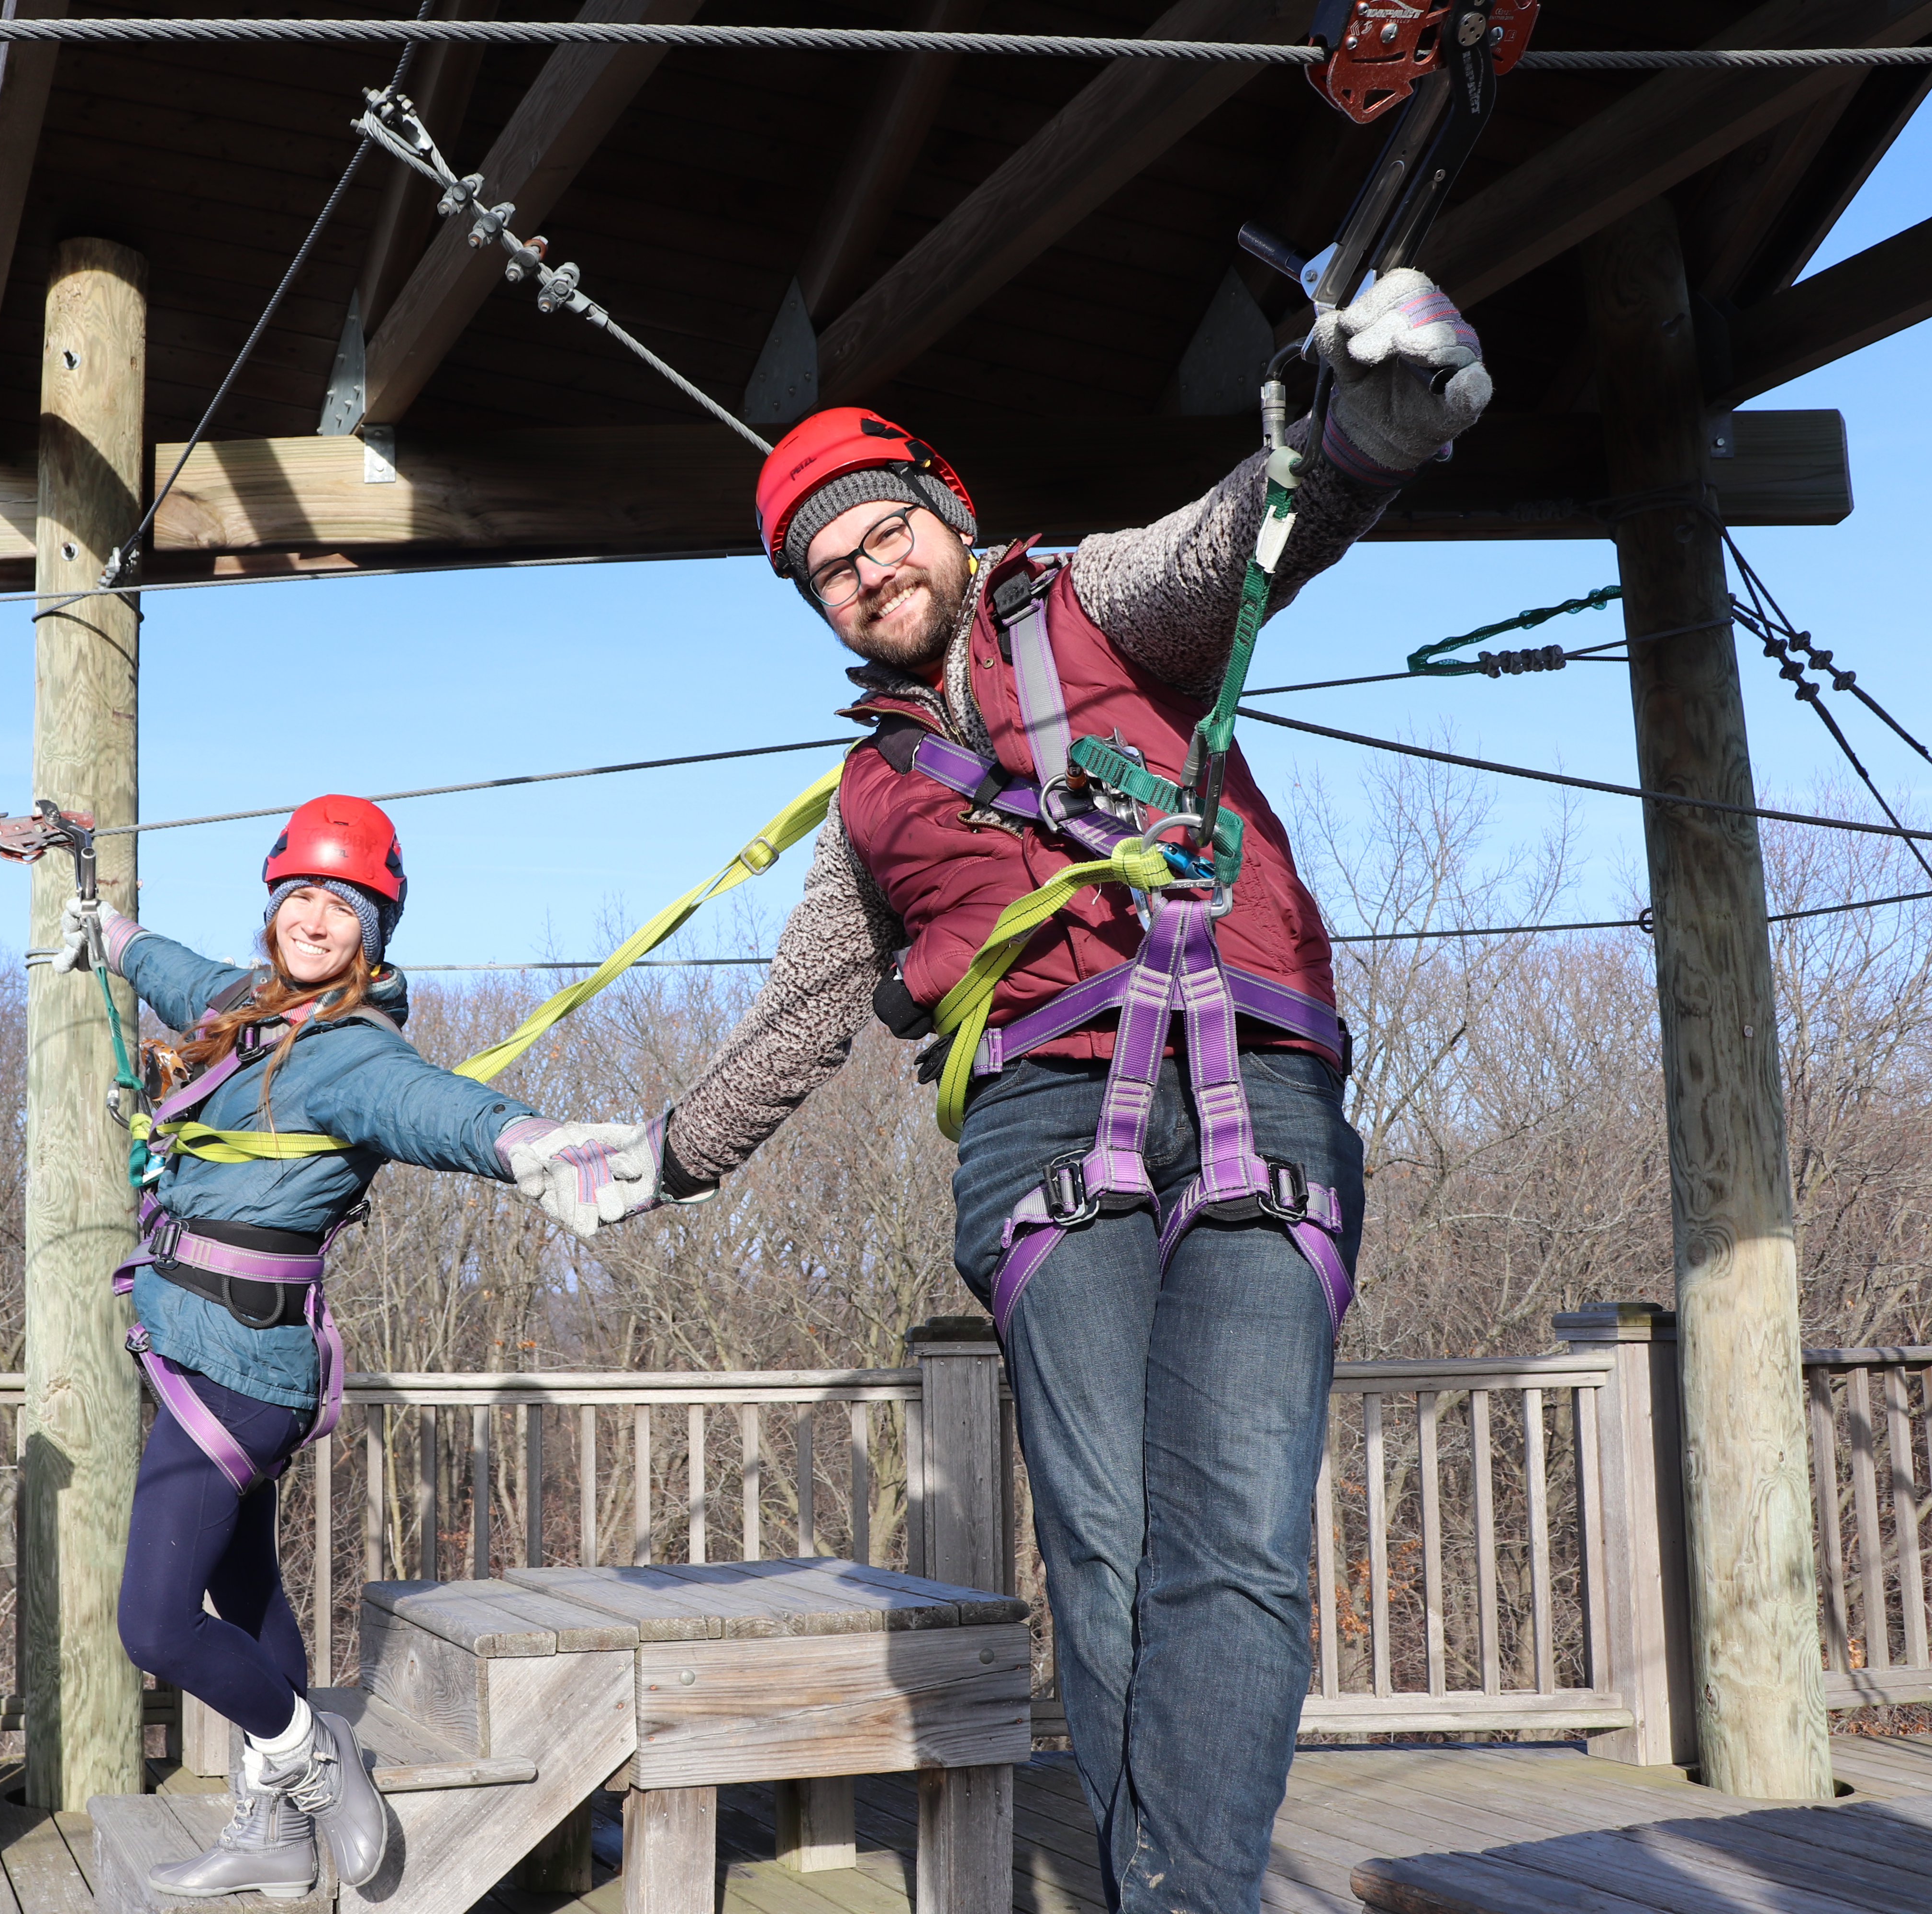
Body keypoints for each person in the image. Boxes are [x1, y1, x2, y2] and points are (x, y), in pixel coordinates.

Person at [630, 270, 1493, 1914]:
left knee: (1235, 1539)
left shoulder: (1099, 606)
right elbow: (800, 1017)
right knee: (1110, 1549)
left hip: (1258, 1084)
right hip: (1042, 1126)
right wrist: (660, 1158)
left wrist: (1360, 439)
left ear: (947, 517)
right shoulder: (870, 800)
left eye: (883, 530)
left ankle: (1174, 1899)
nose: (869, 570)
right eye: (832, 571)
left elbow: (1240, 538)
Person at [49, 792, 649, 1899]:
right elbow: (171, 967)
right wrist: (112, 927)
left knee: (154, 1623)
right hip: (193, 1347)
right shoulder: (245, 1006)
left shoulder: (350, 1056)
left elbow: (442, 1109)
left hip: (241, 1369)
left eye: (342, 905)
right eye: (299, 897)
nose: (314, 919)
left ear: (372, 933)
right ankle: (273, 1835)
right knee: (245, 1587)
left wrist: (533, 1143)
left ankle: (306, 1752)